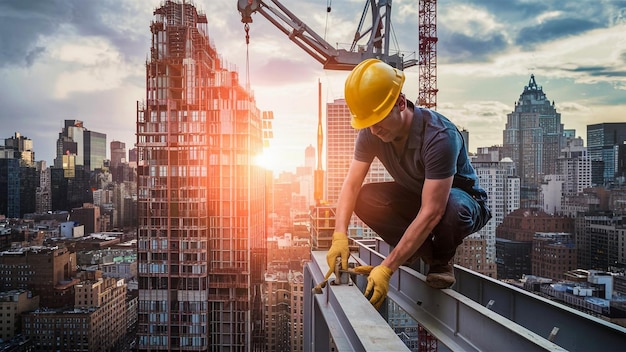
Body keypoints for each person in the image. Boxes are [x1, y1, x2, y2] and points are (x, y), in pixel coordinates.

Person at [326, 58, 492, 309]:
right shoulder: (371, 132)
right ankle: (419, 250)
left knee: (452, 207)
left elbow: (432, 210)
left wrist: (386, 268)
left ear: (401, 103)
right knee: (365, 198)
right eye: (368, 124)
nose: (373, 130)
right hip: (419, 197)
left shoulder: (439, 136)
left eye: (379, 120)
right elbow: (351, 185)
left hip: (459, 203)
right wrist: (339, 235)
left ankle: (442, 260)